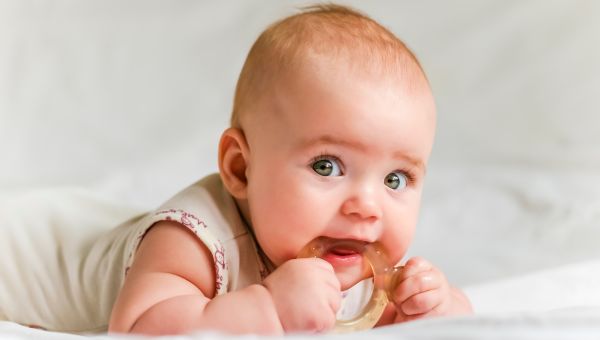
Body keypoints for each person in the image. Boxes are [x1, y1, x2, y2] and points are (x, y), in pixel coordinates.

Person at [0, 3, 472, 335]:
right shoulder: (193, 241)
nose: (367, 207)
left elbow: (454, 322)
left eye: (396, 179)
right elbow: (139, 328)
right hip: (25, 250)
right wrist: (268, 305)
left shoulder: (348, 253)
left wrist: (435, 306)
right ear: (241, 169)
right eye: (327, 166)